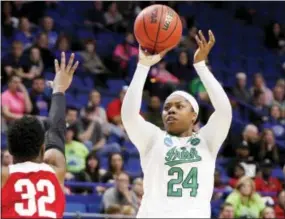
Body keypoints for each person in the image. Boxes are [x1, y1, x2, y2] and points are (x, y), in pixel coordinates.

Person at [121, 30, 232, 217]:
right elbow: (129, 116)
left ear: (193, 116)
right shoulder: (153, 138)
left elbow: (224, 111)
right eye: (167, 108)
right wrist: (142, 67)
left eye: (179, 106)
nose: (170, 110)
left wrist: (201, 66)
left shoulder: (207, 141)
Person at [1, 52, 79, 218]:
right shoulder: (56, 171)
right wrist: (59, 90)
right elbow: (56, 132)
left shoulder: (4, 176)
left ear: (11, 151)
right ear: (42, 148)